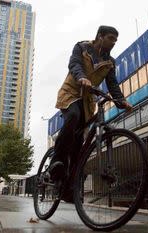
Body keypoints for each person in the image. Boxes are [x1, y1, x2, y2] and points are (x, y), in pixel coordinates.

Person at [50, 25, 133, 202]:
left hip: (87, 101)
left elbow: (112, 84)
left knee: (79, 145)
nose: (114, 42)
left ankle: (68, 188)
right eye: (111, 38)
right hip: (71, 92)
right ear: (100, 36)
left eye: (116, 40)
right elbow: (74, 64)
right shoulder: (82, 47)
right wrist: (81, 77)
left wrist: (121, 101)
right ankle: (55, 163)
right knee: (72, 117)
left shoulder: (110, 62)